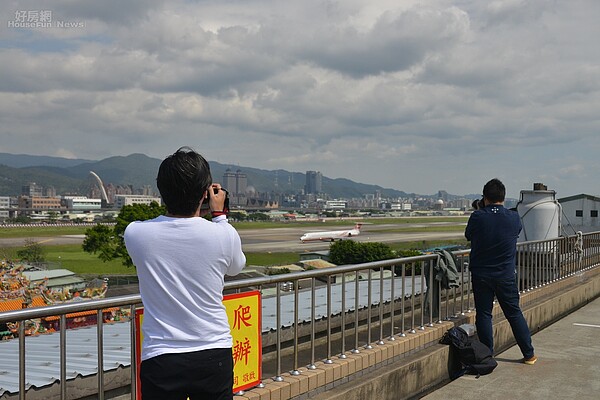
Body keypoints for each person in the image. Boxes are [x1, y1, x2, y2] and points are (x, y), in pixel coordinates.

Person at [124, 147, 246, 400]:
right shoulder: (223, 234)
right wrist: (220, 216)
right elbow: (236, 268)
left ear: (161, 192)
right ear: (205, 193)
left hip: (161, 355)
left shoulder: (136, 233)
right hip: (213, 350)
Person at [465, 178, 537, 365]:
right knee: (513, 313)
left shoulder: (478, 216)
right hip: (505, 274)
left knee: (484, 314)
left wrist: (481, 211)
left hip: (481, 273)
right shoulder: (513, 217)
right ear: (503, 197)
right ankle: (529, 354)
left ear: (485, 197)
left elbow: (469, 236)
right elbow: (514, 231)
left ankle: (488, 356)